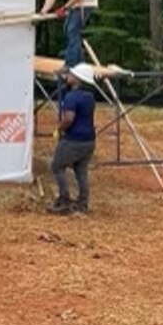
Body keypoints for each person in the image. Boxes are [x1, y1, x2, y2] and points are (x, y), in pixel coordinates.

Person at [49, 63, 98, 215]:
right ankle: (83, 203)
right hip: (89, 140)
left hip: (73, 140)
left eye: (71, 74)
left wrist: (59, 128)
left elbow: (69, 118)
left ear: (77, 79)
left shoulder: (71, 97)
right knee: (81, 171)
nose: (68, 76)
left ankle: (64, 200)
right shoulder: (89, 97)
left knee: (57, 166)